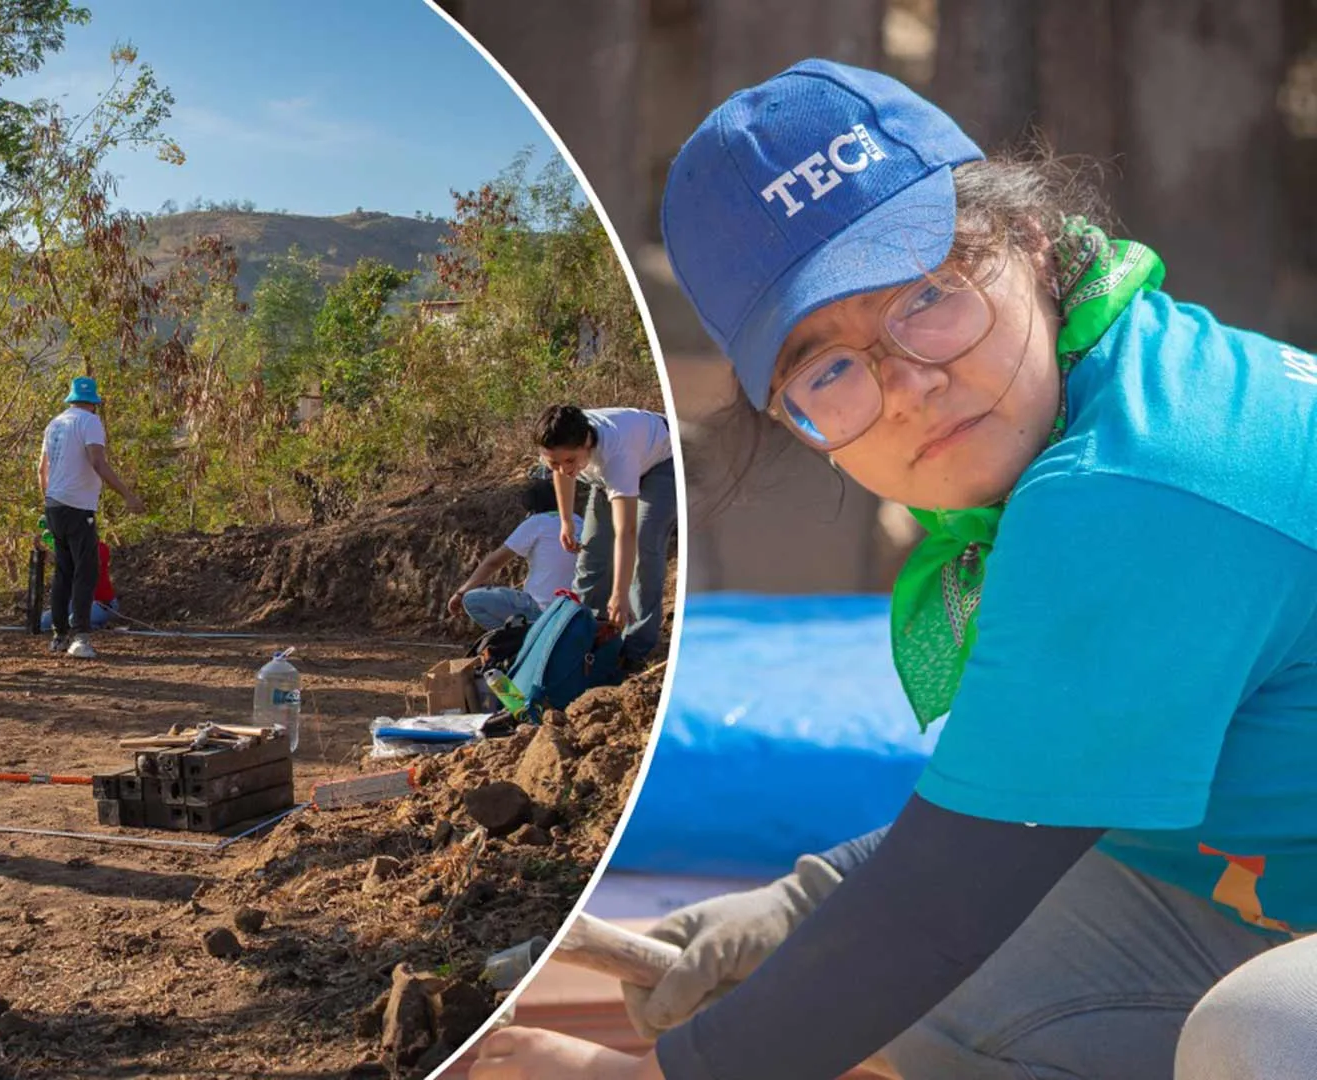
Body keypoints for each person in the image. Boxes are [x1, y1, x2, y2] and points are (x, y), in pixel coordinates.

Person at [472, 59, 1317, 1080]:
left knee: (1265, 1036)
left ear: (1032, 242)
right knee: (905, 1005)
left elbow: (946, 901)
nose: (911, 384)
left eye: (931, 293)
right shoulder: (1119, 377)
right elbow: (1020, 812)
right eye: (828, 369)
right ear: (792, 425)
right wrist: (802, 909)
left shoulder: (1138, 488)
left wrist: (652, 1075)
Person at [534, 404, 676, 668]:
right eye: (554, 462)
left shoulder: (617, 455)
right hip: (608, 472)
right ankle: (583, 636)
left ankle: (635, 651)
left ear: (586, 444)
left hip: (663, 460)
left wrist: (619, 594)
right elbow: (561, 471)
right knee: (591, 556)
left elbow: (627, 531)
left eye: (569, 461)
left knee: (645, 547)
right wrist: (566, 521)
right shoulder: (565, 441)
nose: (564, 469)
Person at [37, 376, 143, 660]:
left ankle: (59, 636)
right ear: (93, 403)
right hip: (78, 505)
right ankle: (81, 636)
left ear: (71, 399)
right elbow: (97, 461)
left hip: (54, 504)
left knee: (63, 571)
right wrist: (127, 495)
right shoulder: (89, 422)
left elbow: (41, 470)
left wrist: (48, 503)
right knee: (86, 570)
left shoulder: (54, 424)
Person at [447, 477, 584, 630]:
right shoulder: (580, 522)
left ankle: (518, 642)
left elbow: (494, 562)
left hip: (541, 610)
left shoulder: (537, 522)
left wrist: (461, 593)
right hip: (574, 614)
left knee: (472, 600)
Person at [38, 538, 120, 633]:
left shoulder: (100, 548)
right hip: (76, 603)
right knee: (44, 622)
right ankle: (88, 625)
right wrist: (43, 551)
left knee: (75, 620)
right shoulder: (71, 549)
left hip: (101, 604)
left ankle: (96, 626)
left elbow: (85, 565)